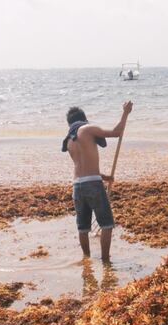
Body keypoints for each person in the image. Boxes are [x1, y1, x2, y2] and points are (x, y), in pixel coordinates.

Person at [63, 101, 133, 261]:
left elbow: (82, 167)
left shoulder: (69, 140)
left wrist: (105, 177)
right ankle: (105, 260)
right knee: (107, 225)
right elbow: (116, 132)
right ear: (83, 119)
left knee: (83, 228)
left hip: (77, 186)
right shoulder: (87, 129)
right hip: (93, 185)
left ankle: (86, 259)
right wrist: (125, 113)